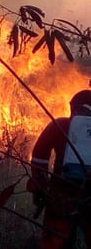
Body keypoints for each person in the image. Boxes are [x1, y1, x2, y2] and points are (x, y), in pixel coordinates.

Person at [27, 89, 91, 248]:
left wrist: (41, 188)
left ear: (72, 107)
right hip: (90, 199)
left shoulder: (60, 125)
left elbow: (38, 156)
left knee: (54, 244)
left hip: (59, 198)